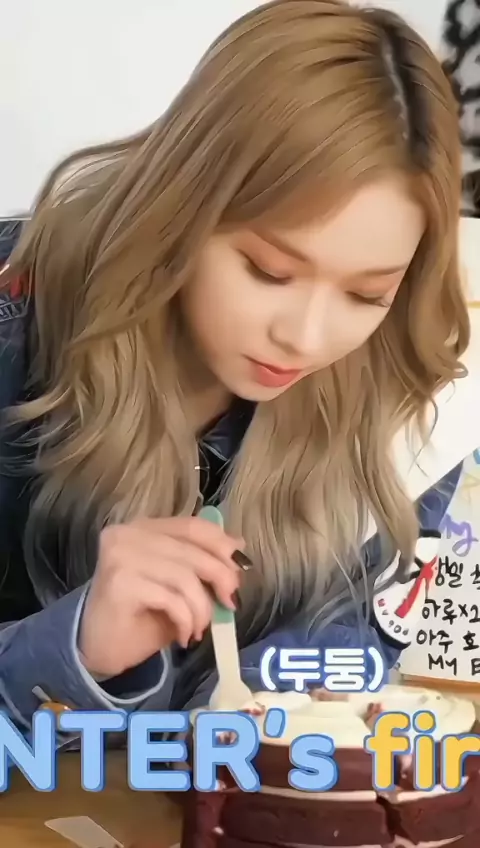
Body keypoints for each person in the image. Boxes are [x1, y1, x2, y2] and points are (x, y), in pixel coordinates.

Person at [0, 0, 469, 751]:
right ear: (181, 206)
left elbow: (325, 685)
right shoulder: (19, 317)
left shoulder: (410, 407)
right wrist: (75, 647)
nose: (306, 338)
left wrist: (277, 717)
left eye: (367, 295)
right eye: (268, 270)